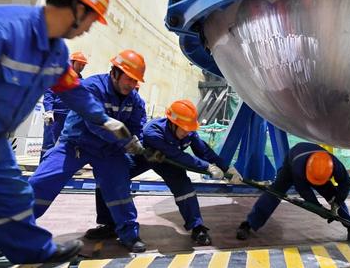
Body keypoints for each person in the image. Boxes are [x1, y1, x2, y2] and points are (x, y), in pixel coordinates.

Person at [0, 0, 131, 264]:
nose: (88, 29)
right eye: (91, 21)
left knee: (14, 203)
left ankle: (38, 254)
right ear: (77, 8)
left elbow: (73, 91)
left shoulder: (56, 53)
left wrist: (104, 119)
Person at [0, 50, 149, 261]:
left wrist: (137, 141)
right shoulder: (92, 87)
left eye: (136, 80)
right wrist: (126, 141)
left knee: (119, 190)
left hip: (108, 151)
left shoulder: (135, 100)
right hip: (77, 145)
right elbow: (94, 124)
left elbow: (137, 125)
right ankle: (11, 238)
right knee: (41, 183)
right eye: (129, 78)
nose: (132, 84)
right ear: (115, 72)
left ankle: (129, 235)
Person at [84, 99, 242, 246]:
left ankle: (197, 227)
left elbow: (204, 151)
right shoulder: (152, 132)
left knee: (184, 190)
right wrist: (207, 168)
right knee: (108, 178)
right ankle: (108, 224)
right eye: (184, 128)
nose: (188, 132)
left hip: (166, 162)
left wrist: (227, 168)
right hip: (143, 158)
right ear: (173, 123)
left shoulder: (188, 131)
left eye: (190, 129)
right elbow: (178, 155)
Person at [236, 142, 350, 243]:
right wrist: (319, 209)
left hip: (316, 170)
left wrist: (336, 204)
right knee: (273, 194)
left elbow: (345, 183)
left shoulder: (333, 164)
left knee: (334, 198)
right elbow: (305, 192)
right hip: (291, 166)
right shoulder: (298, 168)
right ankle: (248, 224)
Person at [41, 51, 88, 161]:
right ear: (72, 62)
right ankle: (43, 167)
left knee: (69, 145)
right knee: (49, 144)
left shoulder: (82, 82)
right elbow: (49, 93)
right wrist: (48, 110)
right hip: (55, 116)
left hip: (71, 118)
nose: (81, 67)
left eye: (83, 65)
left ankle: (62, 169)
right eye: (79, 64)